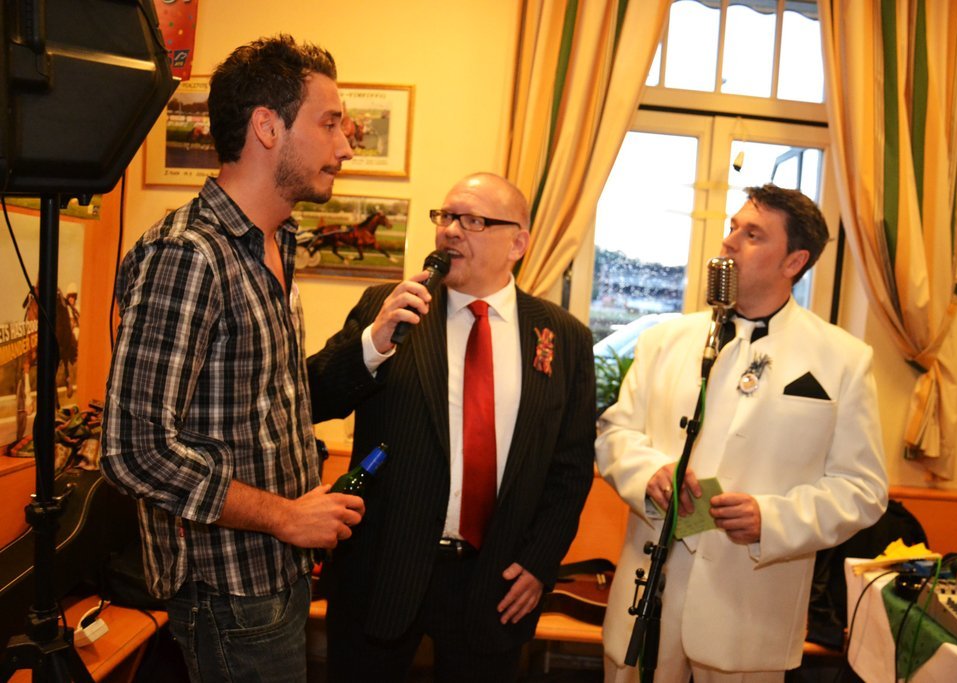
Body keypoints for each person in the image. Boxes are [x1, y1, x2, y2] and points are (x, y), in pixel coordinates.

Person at [100, 35, 364, 683]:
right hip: (230, 591)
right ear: (267, 127)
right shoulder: (189, 254)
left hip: (278, 572)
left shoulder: (275, 241)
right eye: (330, 123)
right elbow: (134, 450)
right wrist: (287, 515)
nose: (346, 146)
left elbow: (260, 406)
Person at [307, 172, 597, 682]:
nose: (450, 230)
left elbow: (570, 467)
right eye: (445, 217)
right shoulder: (387, 306)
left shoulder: (563, 337)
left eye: (473, 221)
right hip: (383, 571)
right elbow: (310, 399)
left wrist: (540, 563)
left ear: (518, 243)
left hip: (495, 581)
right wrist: (372, 344)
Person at [597, 184, 888, 682]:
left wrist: (772, 519)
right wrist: (649, 474)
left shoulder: (843, 360)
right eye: (733, 228)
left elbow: (862, 489)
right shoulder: (664, 340)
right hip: (647, 600)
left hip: (750, 613)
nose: (729, 241)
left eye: (753, 235)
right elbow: (614, 432)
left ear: (794, 261)